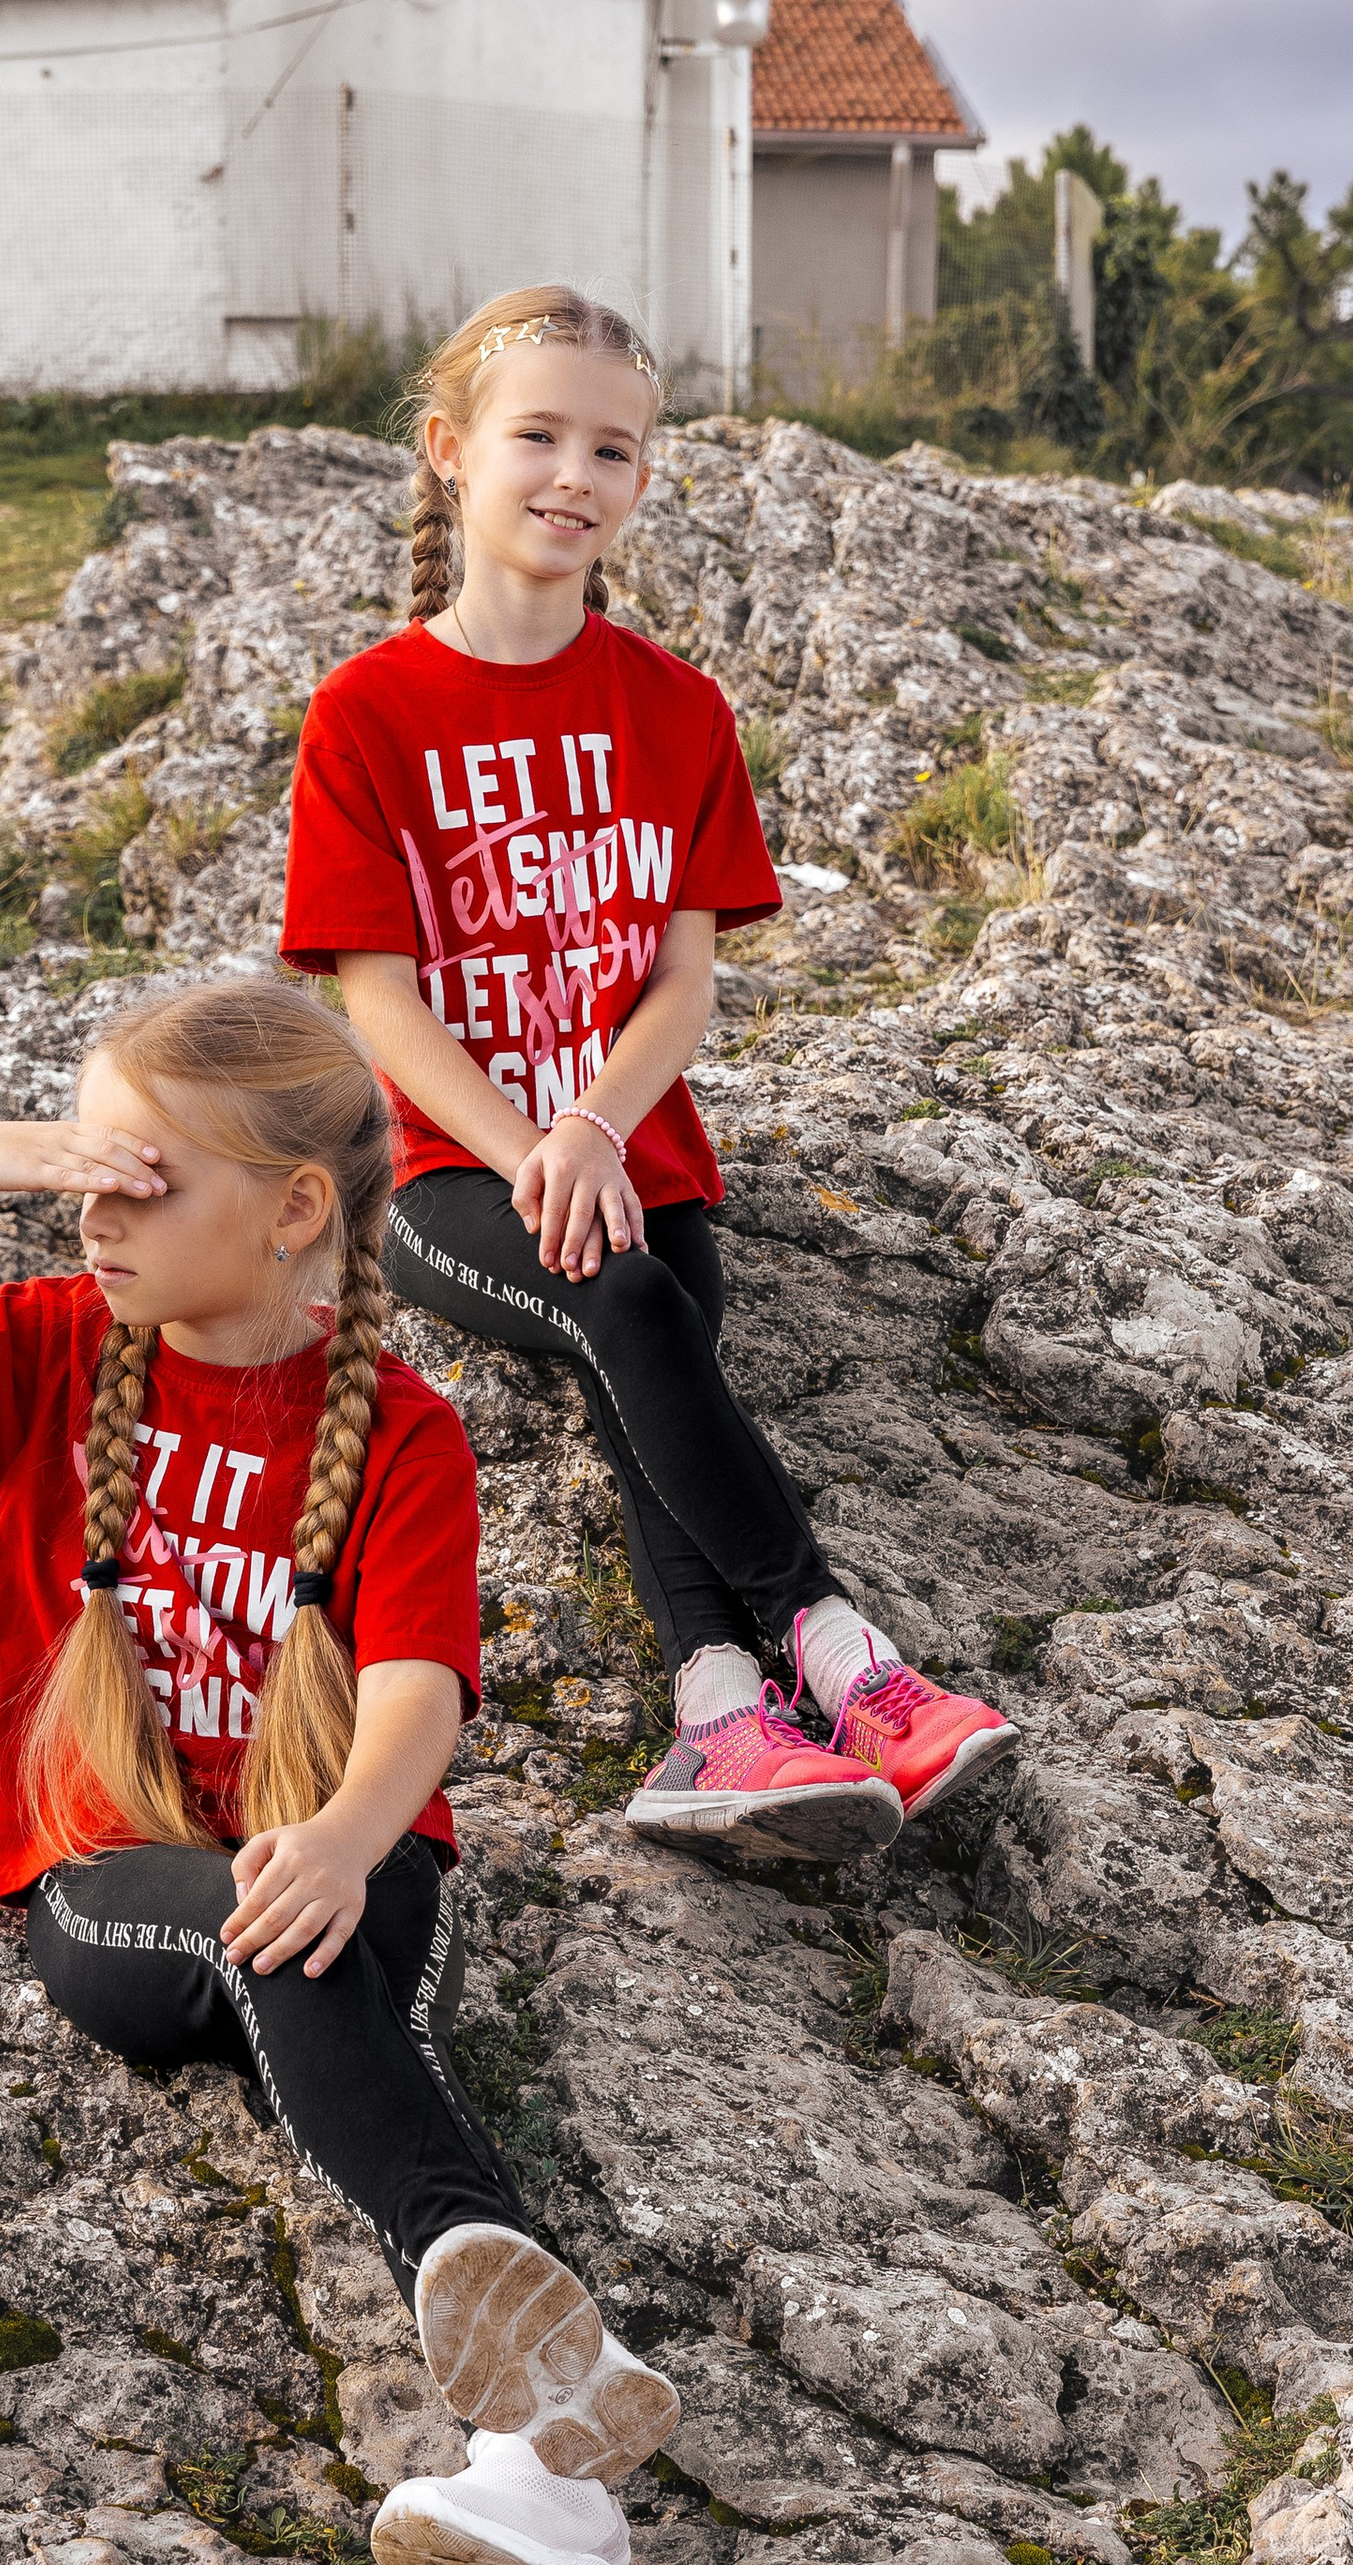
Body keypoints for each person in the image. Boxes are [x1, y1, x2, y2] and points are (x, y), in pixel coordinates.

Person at [0, 974, 675, 2565]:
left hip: (352, 1843)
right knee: (274, 1939)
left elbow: (416, 1689)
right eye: (86, 1173)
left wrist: (344, 1834)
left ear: (294, 1206)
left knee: (324, 1935)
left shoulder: (401, 1429)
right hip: (120, 1873)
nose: (96, 1213)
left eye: (141, 1178)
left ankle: (551, 2479)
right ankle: (553, 2453)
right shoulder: (54, 1350)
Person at [281, 281, 1017, 1859]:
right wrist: (534, 1145)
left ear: (641, 479)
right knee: (625, 1314)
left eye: (611, 449)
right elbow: (380, 1006)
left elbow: (685, 976)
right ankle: (844, 1656)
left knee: (655, 1363)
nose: (572, 475)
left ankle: (720, 1721)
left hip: (641, 1151)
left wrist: (601, 1123)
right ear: (448, 452)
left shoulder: (678, 711)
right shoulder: (366, 715)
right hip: (449, 1174)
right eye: (536, 435)